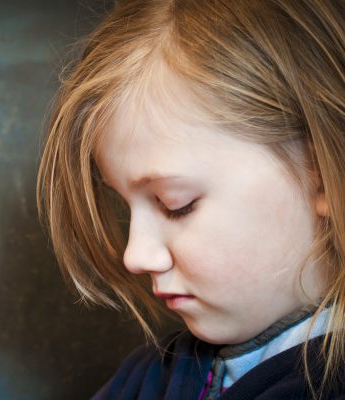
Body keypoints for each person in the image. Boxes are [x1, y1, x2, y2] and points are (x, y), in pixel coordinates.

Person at [36, 0, 344, 398]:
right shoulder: (147, 379)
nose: (135, 256)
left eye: (175, 204)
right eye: (125, 207)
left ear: (320, 175)